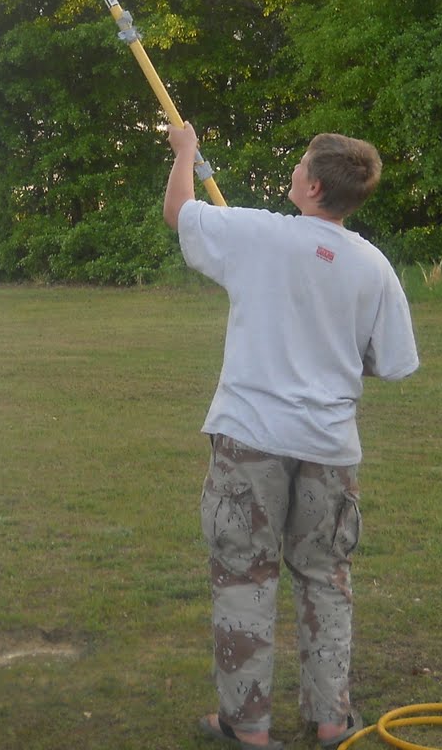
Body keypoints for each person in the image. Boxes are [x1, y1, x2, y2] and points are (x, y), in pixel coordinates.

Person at [163, 124, 418, 750]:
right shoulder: (373, 266)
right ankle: (331, 721)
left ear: (313, 186)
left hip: (250, 438)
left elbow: (179, 213)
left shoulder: (258, 234)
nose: (296, 171)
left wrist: (185, 153)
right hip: (330, 448)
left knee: (244, 576)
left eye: (301, 164)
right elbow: (391, 362)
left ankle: (247, 729)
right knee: (325, 577)